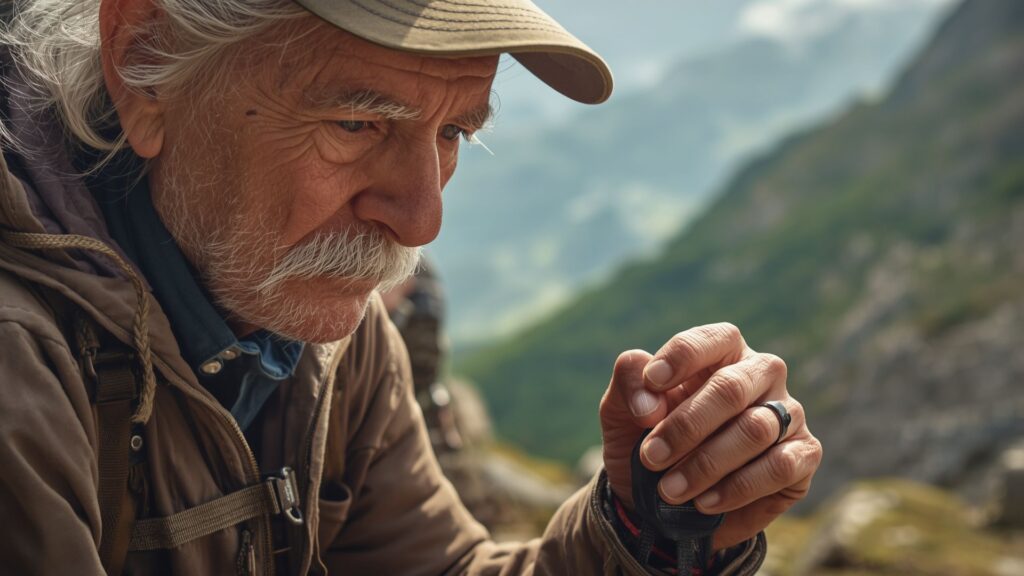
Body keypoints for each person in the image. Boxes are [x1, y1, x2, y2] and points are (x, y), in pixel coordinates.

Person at [0, 1, 822, 574]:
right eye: (357, 123)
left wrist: (649, 527)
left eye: (455, 131)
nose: (421, 219)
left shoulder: (311, 326)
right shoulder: (21, 365)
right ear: (142, 60)